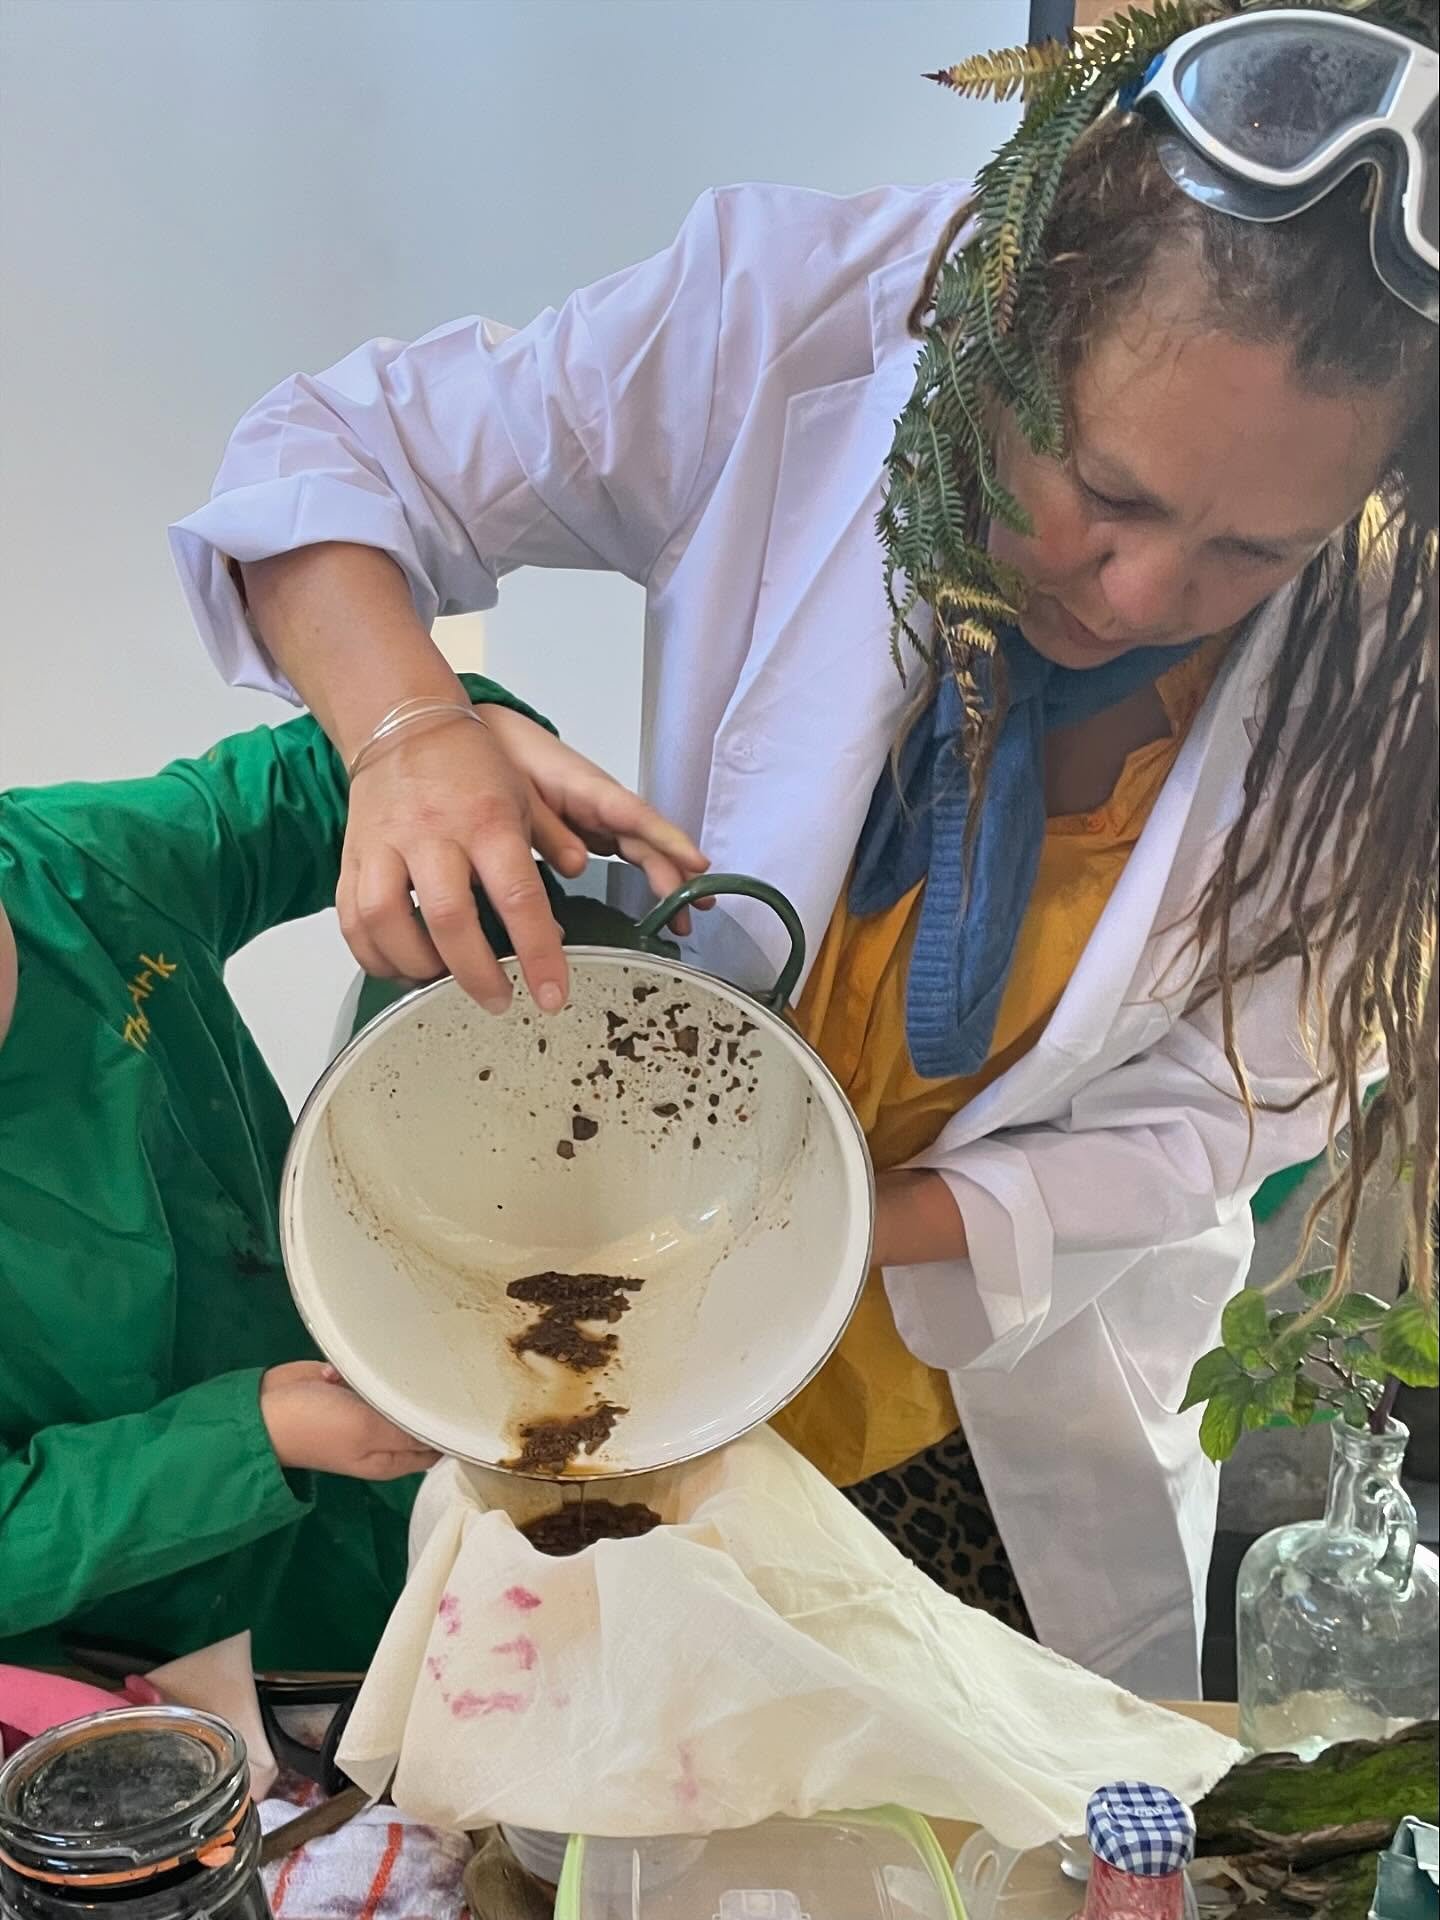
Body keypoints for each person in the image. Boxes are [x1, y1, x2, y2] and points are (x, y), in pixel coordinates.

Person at [169, 1, 1437, 1695]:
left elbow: (1223, 1114)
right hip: (599, 1281)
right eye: (1106, 495)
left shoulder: (1384, 675)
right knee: (586, 1782)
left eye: (1246, 554)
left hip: (972, 1393)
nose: (1139, 595)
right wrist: (410, 731)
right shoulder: (791, 317)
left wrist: (809, 1221)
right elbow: (328, 458)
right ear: (1010, 311)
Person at [0, 675, 695, 1668]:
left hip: (379, 1418)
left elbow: (319, 778)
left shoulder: (72, 870)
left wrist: (455, 738)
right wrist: (249, 1437)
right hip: (161, 1641)